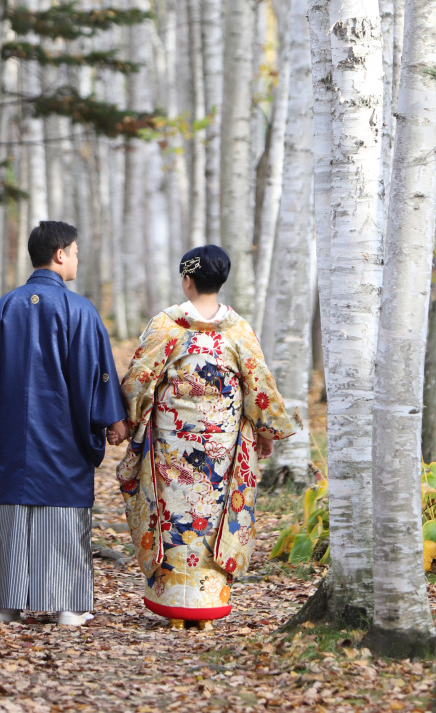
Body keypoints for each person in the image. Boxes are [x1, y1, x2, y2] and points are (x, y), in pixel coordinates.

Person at [113, 244, 296, 629]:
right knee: (212, 518)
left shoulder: (166, 325)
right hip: (220, 448)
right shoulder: (239, 330)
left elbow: (140, 377)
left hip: (172, 444)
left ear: (187, 280)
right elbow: (259, 386)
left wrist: (125, 420)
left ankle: (175, 607)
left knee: (174, 517)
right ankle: (207, 605)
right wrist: (264, 431)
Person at [0, 220, 129, 627]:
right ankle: (68, 607)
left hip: (15, 433)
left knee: (15, 510)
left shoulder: (6, 306)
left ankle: (7, 604)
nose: (78, 258)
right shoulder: (78, 309)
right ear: (60, 254)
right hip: (64, 433)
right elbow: (95, 372)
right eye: (75, 252)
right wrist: (113, 418)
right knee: (62, 509)